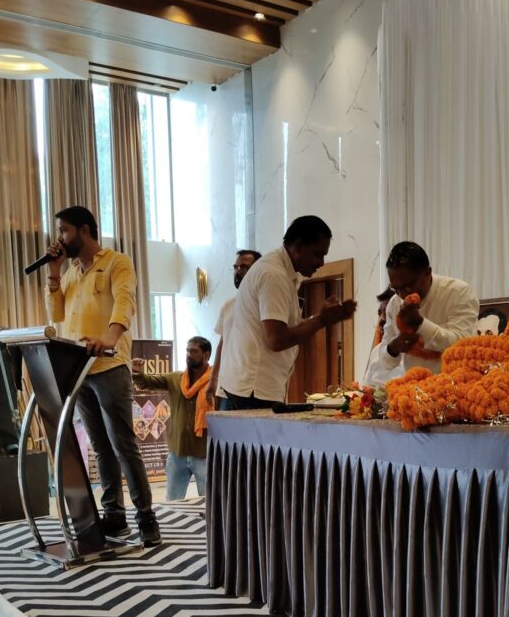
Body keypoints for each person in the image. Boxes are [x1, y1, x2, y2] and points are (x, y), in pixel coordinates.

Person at [44, 205, 161, 546]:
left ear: (84, 230)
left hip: (109, 366)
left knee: (122, 444)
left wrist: (110, 338)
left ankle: (146, 517)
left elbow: (124, 302)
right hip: (80, 371)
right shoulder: (70, 274)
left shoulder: (116, 262)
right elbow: (56, 315)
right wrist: (54, 271)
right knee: (100, 447)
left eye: (64, 231)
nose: (60, 238)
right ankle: (114, 516)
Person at [217, 215, 356, 409]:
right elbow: (277, 340)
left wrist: (320, 318)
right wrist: (321, 320)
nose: (321, 262)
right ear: (297, 247)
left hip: (250, 388)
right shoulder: (274, 275)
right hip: (252, 391)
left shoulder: (281, 271)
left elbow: (284, 329)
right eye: (317, 254)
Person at [377, 241, 479, 375]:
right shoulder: (394, 303)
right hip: (414, 384)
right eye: (395, 289)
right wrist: (393, 348)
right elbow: (385, 363)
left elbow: (464, 347)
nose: (402, 295)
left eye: (408, 287)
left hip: (456, 382)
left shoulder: (458, 292)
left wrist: (420, 324)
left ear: (427, 273)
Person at [132, 337, 212, 501]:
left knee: (209, 503)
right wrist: (138, 373)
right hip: (177, 453)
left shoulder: (215, 382)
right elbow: (147, 383)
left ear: (206, 355)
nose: (188, 354)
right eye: (187, 351)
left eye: (193, 351)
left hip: (204, 454)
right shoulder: (176, 379)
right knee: (172, 503)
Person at [206, 249, 260, 409]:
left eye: (244, 267)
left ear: (257, 270)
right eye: (236, 267)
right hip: (226, 389)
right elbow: (223, 343)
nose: (238, 271)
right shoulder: (228, 305)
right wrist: (213, 379)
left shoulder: (263, 303)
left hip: (251, 389)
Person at [361, 288, 404, 387]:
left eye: (387, 313)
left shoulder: (415, 355)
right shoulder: (377, 351)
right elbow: (365, 387)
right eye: (379, 313)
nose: (381, 319)